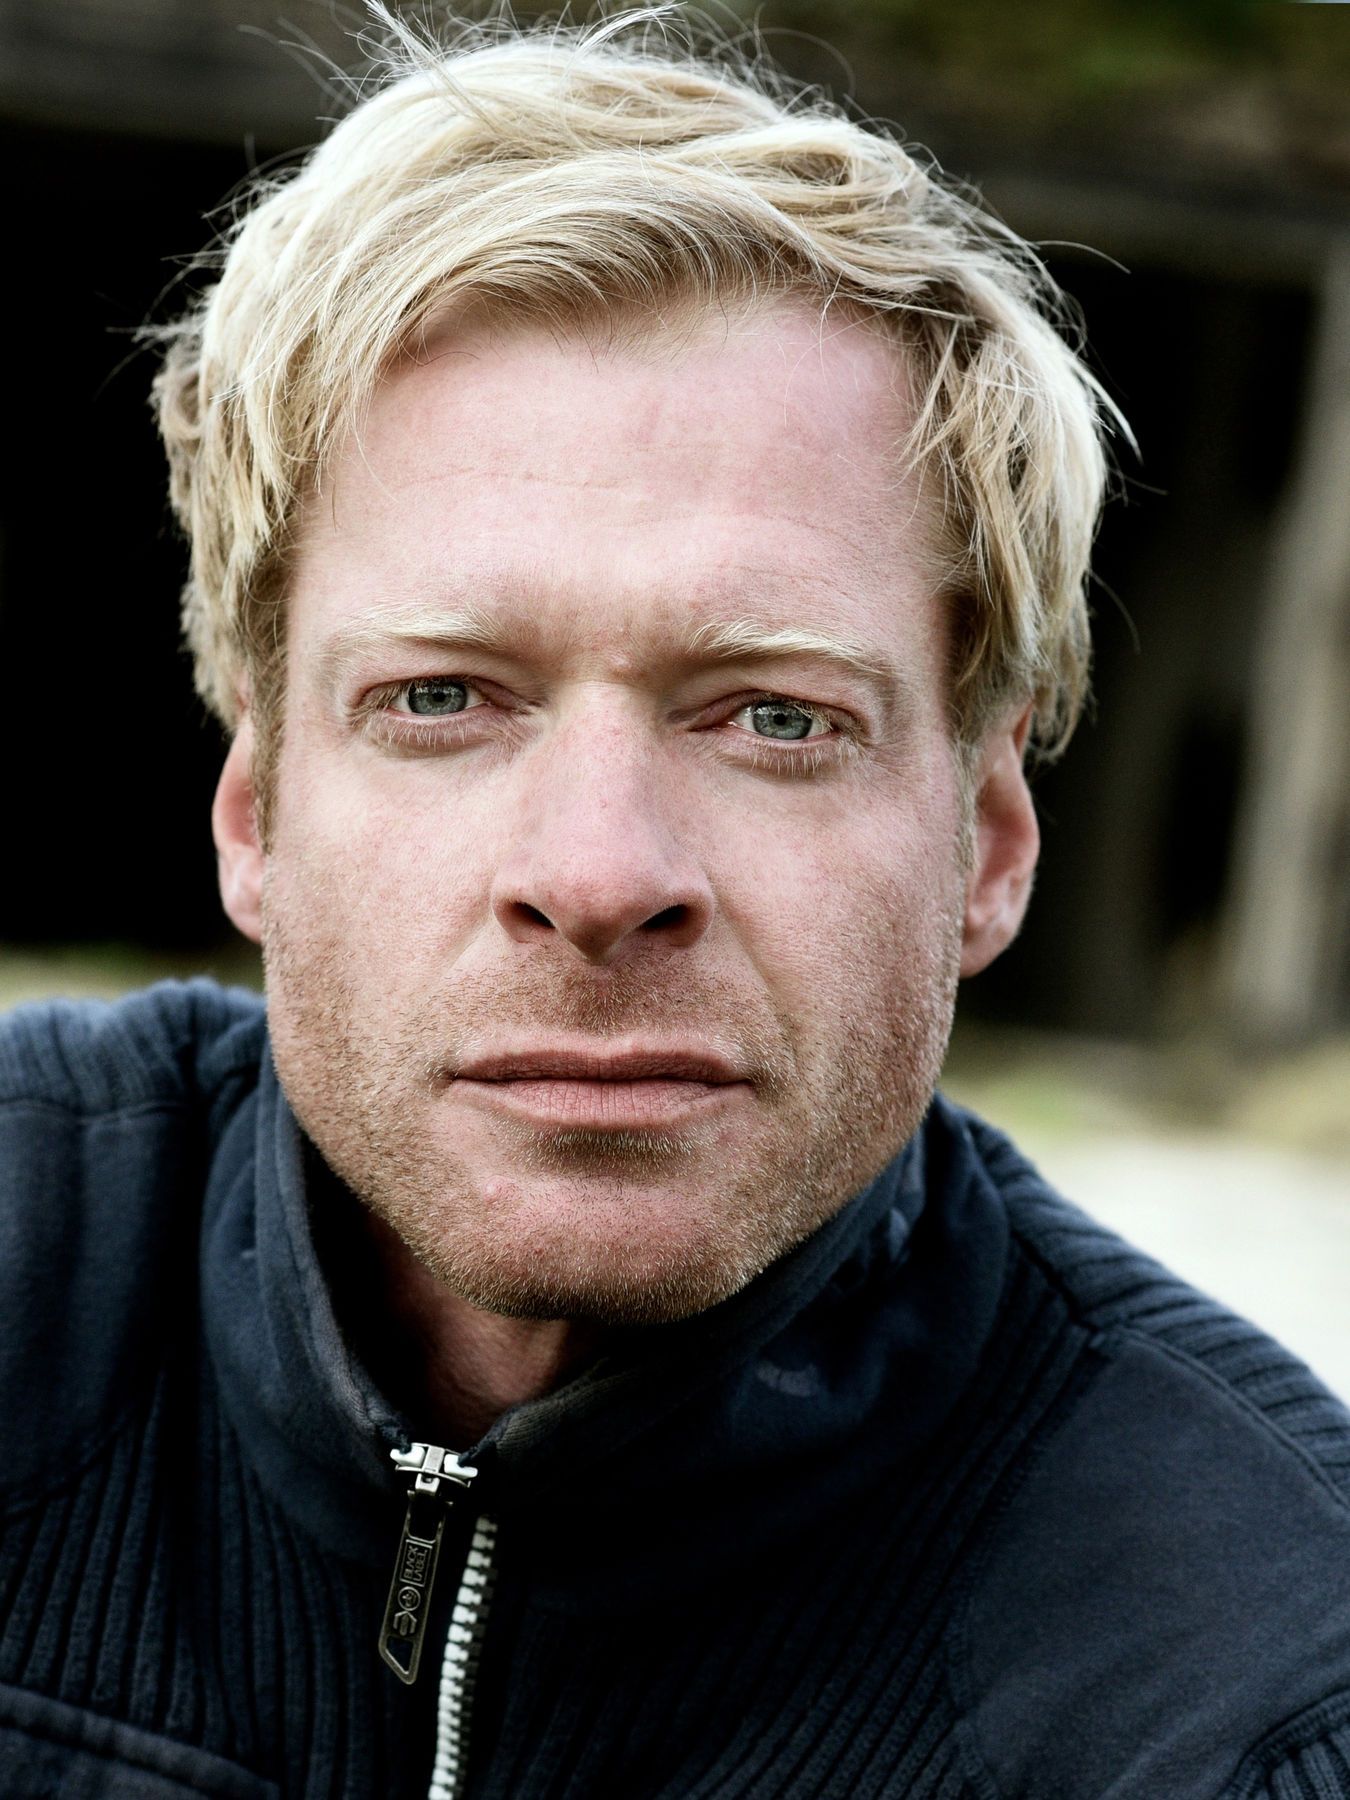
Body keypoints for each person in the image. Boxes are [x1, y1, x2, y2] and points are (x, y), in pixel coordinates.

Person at [2, 9, 1348, 1797]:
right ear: (256, 811)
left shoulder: (1251, 1696)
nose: (596, 875)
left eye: (774, 717)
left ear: (987, 841)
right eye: (440, 699)